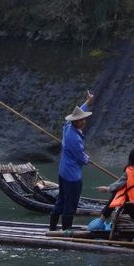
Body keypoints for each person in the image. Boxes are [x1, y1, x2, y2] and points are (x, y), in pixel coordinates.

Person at [48, 91, 93, 233]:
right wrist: (87, 159)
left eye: (83, 119)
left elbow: (80, 111)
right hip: (72, 176)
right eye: (81, 120)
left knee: (61, 199)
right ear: (76, 122)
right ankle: (66, 231)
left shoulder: (67, 126)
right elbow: (81, 158)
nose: (84, 122)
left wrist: (87, 102)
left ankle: (53, 228)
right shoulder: (74, 138)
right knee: (70, 204)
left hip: (63, 172)